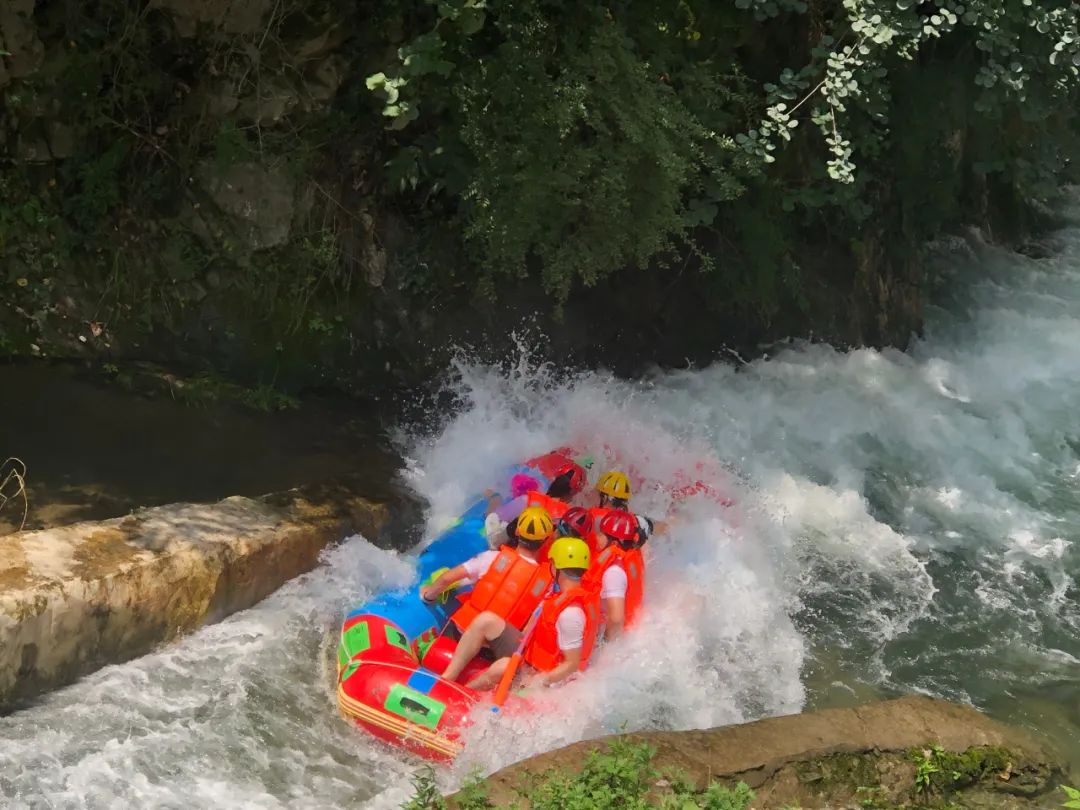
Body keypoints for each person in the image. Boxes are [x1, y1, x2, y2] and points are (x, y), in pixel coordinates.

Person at [421, 506, 556, 682]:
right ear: (546, 541)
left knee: (480, 619)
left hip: (462, 632)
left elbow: (447, 579)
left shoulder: (490, 558)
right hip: (493, 650)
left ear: (516, 531)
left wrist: (428, 596)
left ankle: (447, 678)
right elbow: (530, 627)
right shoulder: (546, 582)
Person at [464, 536, 599, 690]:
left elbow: (572, 664)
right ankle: (451, 681)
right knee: (486, 621)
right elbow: (529, 631)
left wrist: (536, 683)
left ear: (556, 566)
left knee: (501, 667)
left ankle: (464, 693)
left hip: (546, 681)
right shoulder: (559, 597)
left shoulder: (570, 613)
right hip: (531, 661)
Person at [581, 510, 646, 641]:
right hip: (628, 631)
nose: (597, 536)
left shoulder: (614, 572)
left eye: (602, 534)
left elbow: (616, 618)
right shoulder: (625, 560)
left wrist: (605, 642)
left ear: (614, 543)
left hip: (614, 636)